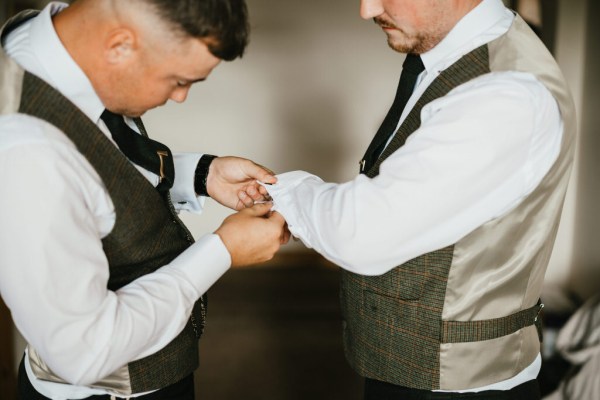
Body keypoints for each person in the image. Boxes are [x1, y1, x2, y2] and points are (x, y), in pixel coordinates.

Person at [265, 0, 576, 399]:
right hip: (420, 369)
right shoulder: (460, 58)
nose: (367, 10)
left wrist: (279, 189)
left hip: (458, 382)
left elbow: (363, 234)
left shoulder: (502, 95)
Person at [0, 0, 288, 399]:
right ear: (119, 46)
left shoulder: (54, 39)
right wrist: (221, 251)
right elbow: (84, 352)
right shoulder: (25, 152)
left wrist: (202, 175)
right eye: (178, 80)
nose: (181, 96)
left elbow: (93, 162)